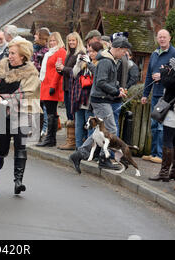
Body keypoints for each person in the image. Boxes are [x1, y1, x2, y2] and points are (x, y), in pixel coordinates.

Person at [0, 39, 41, 195]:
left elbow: (25, 93)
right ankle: (0, 154)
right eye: (9, 52)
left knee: (21, 145)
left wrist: (2, 98)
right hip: (1, 114)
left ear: (23, 56)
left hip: (22, 112)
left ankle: (18, 181)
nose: (10, 55)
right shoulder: (1, 67)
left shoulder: (31, 73)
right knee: (2, 146)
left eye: (13, 53)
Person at [69, 37, 131, 173]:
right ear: (119, 49)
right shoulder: (106, 61)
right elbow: (101, 82)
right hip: (100, 99)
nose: (125, 54)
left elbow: (104, 79)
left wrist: (118, 88)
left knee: (100, 132)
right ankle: (104, 159)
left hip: (101, 99)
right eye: (124, 51)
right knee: (111, 130)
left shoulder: (109, 60)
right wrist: (116, 91)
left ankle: (78, 155)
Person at [148, 39, 175, 183]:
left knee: (167, 140)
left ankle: (164, 172)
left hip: (174, 108)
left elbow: (171, 84)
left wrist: (163, 73)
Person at [141, 29, 175, 164]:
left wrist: (162, 75)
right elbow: (148, 75)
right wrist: (145, 94)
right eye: (160, 37)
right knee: (153, 125)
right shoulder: (154, 54)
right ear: (157, 39)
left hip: (166, 96)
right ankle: (153, 153)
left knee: (161, 126)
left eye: (164, 37)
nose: (162, 39)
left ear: (169, 38)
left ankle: (160, 154)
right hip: (155, 95)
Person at [56, 32, 86, 150]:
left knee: (73, 115)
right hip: (67, 87)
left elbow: (77, 71)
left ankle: (73, 142)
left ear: (78, 41)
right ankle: (70, 140)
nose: (71, 43)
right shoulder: (69, 53)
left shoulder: (80, 54)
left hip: (75, 89)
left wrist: (64, 68)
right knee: (69, 114)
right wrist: (60, 69)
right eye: (69, 41)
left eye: (73, 40)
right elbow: (67, 71)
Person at [70, 40, 103, 148]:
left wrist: (89, 63)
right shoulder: (84, 62)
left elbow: (97, 76)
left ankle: (87, 149)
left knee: (90, 126)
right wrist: (78, 63)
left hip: (90, 100)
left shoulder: (100, 63)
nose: (91, 54)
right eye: (89, 51)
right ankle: (79, 148)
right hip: (79, 98)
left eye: (93, 51)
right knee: (79, 125)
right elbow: (74, 74)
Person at [36, 32, 66, 147]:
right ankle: (50, 138)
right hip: (46, 85)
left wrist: (53, 86)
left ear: (58, 41)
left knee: (51, 112)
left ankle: (50, 138)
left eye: (54, 40)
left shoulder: (61, 52)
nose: (52, 43)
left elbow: (58, 71)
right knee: (49, 112)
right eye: (51, 41)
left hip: (52, 86)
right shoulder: (49, 53)